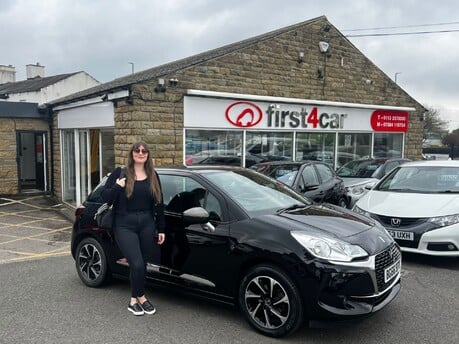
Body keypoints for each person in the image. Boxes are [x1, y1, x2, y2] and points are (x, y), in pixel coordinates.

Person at [102, 141, 166, 316]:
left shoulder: (153, 175)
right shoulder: (120, 173)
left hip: (147, 223)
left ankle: (138, 298)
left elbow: (159, 203)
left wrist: (161, 228)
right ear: (132, 154)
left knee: (142, 264)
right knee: (136, 263)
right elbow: (105, 197)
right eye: (137, 150)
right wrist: (118, 186)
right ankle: (137, 297)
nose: (140, 153)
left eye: (144, 150)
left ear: (148, 154)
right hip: (124, 224)